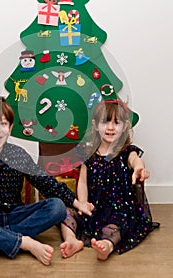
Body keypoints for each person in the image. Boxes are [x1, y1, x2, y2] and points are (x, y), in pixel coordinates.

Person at [0, 95, 92, 265]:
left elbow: (45, 183)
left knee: (57, 207)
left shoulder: (18, 155)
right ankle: (24, 242)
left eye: (2, 124)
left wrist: (77, 203)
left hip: (15, 216)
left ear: (10, 127)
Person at [60, 99, 159, 261]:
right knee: (65, 212)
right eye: (105, 122)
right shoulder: (89, 154)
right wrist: (83, 203)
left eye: (117, 123)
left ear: (125, 126)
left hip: (119, 209)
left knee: (118, 224)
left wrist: (139, 168)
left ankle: (106, 245)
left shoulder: (127, 152)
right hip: (94, 208)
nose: (111, 127)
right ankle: (71, 240)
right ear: (95, 125)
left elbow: (135, 161)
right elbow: (83, 182)